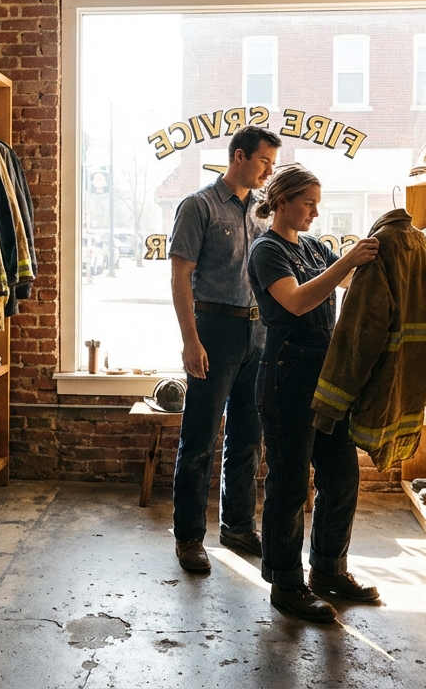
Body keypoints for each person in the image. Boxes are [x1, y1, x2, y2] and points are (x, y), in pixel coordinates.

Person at [247, 164, 381, 622]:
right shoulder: (266, 250)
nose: (316, 214)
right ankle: (286, 583)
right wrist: (348, 260)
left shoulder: (314, 247)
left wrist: (383, 255)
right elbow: (298, 301)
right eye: (309, 204)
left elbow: (349, 282)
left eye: (317, 204)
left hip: (327, 373)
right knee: (289, 482)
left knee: (342, 474)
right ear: (281, 202)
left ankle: (328, 569)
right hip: (287, 374)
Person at [168, 125, 282, 574]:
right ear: (239, 156)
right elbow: (180, 277)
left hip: (259, 332)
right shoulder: (199, 206)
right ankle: (189, 537)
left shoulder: (263, 211)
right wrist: (190, 340)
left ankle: (237, 526)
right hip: (214, 329)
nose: (269, 171)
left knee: (248, 437)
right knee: (200, 437)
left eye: (272, 163)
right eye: (264, 161)